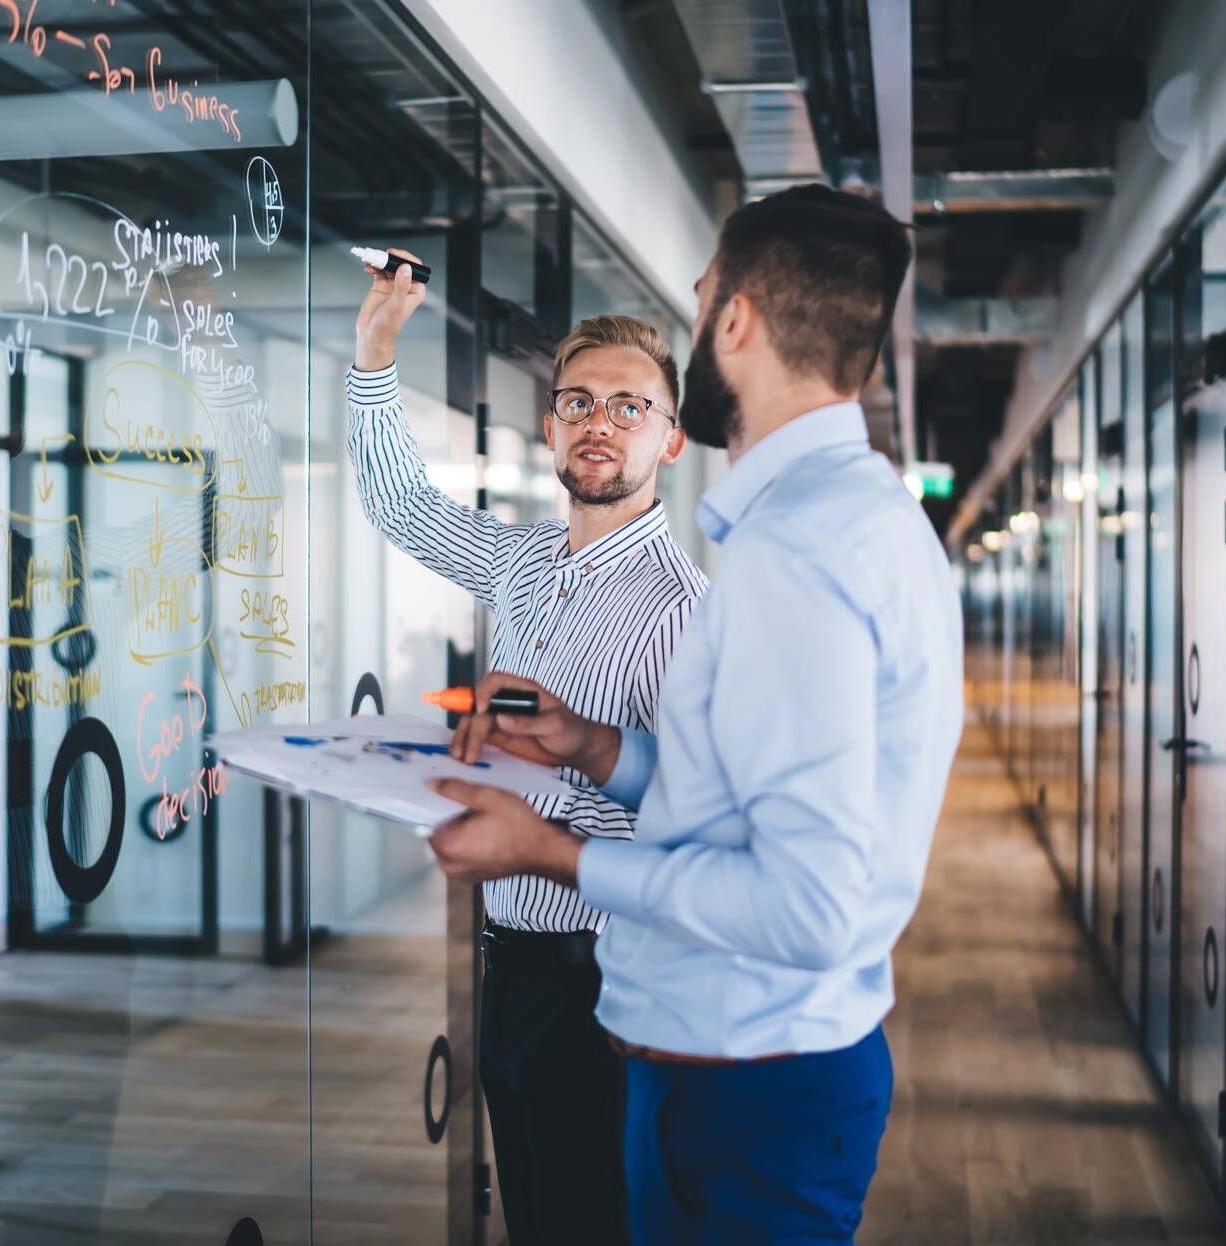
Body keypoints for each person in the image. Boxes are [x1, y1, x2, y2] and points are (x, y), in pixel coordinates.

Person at [424, 185, 963, 1244]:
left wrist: (553, 852)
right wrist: (593, 745)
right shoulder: (859, 517)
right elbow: (741, 798)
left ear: (737, 323)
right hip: (758, 1072)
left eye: (705, 295)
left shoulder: (793, 554)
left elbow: (804, 904)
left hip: (747, 1091)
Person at [346, 249, 707, 1245]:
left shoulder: (686, 613)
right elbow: (399, 506)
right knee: (535, 1220)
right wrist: (376, 350)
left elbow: (696, 812)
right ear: (549, 427)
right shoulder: (523, 559)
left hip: (610, 970)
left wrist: (567, 776)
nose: (601, 421)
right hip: (508, 956)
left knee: (592, 1220)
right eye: (579, 401)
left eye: (631, 407)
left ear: (671, 440)